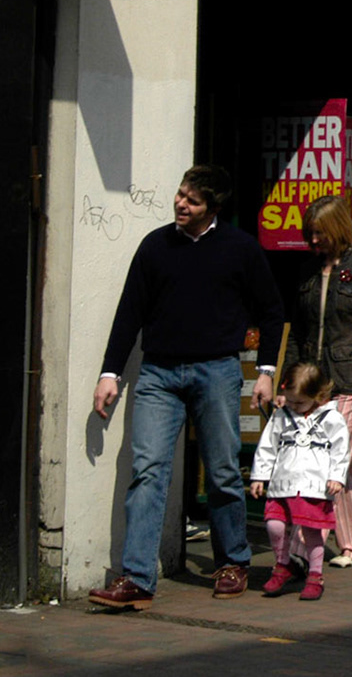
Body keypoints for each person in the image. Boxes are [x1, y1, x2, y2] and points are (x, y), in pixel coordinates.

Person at [89, 166, 285, 610]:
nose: (181, 205)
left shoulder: (240, 249)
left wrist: (267, 371)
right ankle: (137, 576)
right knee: (148, 471)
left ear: (213, 209)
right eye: (180, 195)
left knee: (221, 470)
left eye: (192, 201)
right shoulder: (155, 246)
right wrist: (110, 374)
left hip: (216, 370)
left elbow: (272, 311)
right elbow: (129, 313)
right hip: (158, 373)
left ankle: (233, 561)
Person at [283, 194, 352, 571]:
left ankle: (297, 549)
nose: (313, 242)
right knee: (337, 467)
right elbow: (296, 332)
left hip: (350, 383)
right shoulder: (306, 273)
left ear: (337, 230)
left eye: (319, 234)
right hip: (313, 382)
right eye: (309, 234)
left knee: (324, 462)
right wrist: (289, 383)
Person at [249, 362, 349, 601]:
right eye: (290, 400)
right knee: (274, 524)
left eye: (300, 402)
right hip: (283, 482)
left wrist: (337, 476)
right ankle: (283, 564)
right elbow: (267, 446)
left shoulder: (332, 418)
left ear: (318, 396)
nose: (293, 406)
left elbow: (340, 450)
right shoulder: (281, 416)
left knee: (312, 531)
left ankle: (315, 575)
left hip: (315, 485)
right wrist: (259, 476)